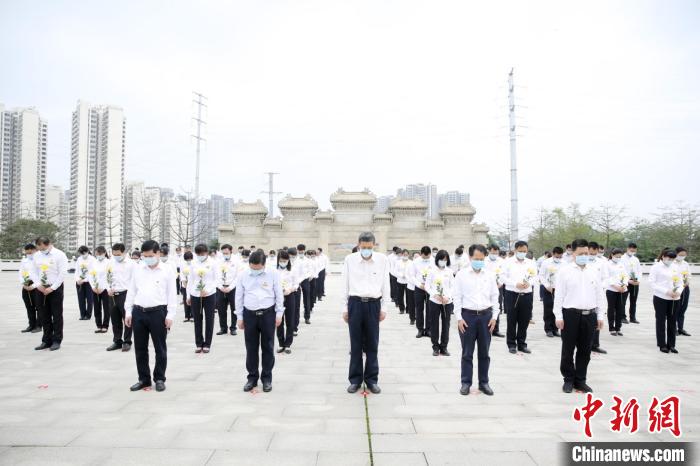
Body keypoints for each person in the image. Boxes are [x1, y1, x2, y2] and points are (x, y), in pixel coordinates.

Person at [125, 240, 178, 392]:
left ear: (158, 253)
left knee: (160, 348)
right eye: (145, 256)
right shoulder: (138, 269)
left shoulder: (167, 270)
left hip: (158, 312)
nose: (147, 259)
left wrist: (170, 315)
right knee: (140, 348)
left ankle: (159, 378)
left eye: (150, 256)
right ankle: (144, 379)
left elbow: (172, 294)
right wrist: (128, 311)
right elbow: (132, 291)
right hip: (138, 312)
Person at [554, 239, 605, 393]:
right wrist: (558, 316)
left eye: (586, 253)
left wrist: (600, 315)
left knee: (585, 350)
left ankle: (580, 380)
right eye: (581, 253)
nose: (584, 256)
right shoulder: (564, 271)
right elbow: (559, 295)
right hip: (570, 315)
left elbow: (600, 295)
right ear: (573, 253)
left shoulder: (594, 271)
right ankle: (568, 379)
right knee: (568, 349)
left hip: (590, 315)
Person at [342, 232, 390, 395]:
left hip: (373, 304)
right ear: (358, 245)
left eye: (369, 247)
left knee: (372, 344)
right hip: (355, 303)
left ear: (374, 246)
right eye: (363, 247)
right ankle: (355, 380)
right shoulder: (350, 260)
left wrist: (384, 307)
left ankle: (371, 380)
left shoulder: (382, 260)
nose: (366, 250)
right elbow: (344, 284)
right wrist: (344, 308)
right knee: (355, 344)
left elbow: (386, 284)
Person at [236, 249, 284, 392]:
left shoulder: (273, 273)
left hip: (268, 313)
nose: (255, 271)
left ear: (264, 264)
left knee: (268, 347)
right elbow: (239, 296)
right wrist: (239, 317)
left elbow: (279, 294)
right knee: (251, 347)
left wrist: (279, 313)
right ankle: (252, 378)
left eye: (258, 269)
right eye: (252, 268)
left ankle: (267, 378)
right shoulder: (243, 274)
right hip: (249, 314)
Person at [454, 244, 499, 396]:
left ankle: (484, 383)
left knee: (484, 352)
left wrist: (494, 317)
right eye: (476, 259)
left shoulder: (489, 275)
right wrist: (459, 318)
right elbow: (457, 297)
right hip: (468, 316)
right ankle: (466, 383)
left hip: (486, 316)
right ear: (470, 257)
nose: (478, 261)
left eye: (481, 259)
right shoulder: (461, 275)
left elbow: (495, 296)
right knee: (467, 352)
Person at [32, 236, 68, 351]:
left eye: (43, 248)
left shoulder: (59, 255)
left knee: (56, 315)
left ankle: (57, 340)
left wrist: (52, 288)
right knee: (43, 315)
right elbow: (33, 271)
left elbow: (62, 273)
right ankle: (46, 340)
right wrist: (38, 285)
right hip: (41, 288)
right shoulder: (37, 255)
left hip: (55, 288)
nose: (41, 250)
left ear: (48, 244)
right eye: (39, 248)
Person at [503, 240, 537, 354]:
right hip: (512, 294)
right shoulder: (508, 262)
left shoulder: (531, 262)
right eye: (520, 251)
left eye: (524, 251)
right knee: (511, 320)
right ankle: (511, 344)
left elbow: (535, 276)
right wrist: (515, 283)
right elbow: (503, 277)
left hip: (526, 294)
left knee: (524, 320)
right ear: (515, 250)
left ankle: (522, 344)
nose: (522, 253)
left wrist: (529, 283)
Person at [648, 249, 681, 353]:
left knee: (672, 321)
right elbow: (652, 283)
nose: (670, 260)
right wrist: (666, 291)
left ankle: (671, 345)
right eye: (668, 258)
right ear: (663, 256)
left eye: (672, 259)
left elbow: (680, 282)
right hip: (661, 297)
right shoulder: (656, 267)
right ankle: (662, 344)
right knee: (661, 321)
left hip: (674, 298)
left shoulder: (676, 267)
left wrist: (678, 291)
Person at [186, 244, 217, 353]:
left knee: (209, 319)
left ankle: (207, 343)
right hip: (195, 294)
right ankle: (199, 343)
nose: (200, 256)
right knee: (197, 320)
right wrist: (188, 295)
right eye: (198, 254)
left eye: (202, 254)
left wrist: (207, 290)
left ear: (207, 253)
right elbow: (190, 280)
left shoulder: (213, 263)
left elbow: (216, 280)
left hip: (209, 294)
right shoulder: (193, 263)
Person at [106, 243, 135, 352]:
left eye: (118, 254)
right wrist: (108, 288)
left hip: (125, 294)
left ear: (124, 252)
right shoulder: (110, 263)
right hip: (112, 294)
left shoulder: (131, 264)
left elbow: (135, 280)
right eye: (114, 254)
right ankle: (117, 341)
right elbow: (106, 277)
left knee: (127, 318)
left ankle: (127, 341)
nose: (116, 256)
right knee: (115, 319)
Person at [425, 250, 454, 356]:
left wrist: (448, 297)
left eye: (445, 260)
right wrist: (435, 295)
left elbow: (453, 286)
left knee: (446, 324)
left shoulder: (449, 272)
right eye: (441, 259)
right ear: (437, 259)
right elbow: (427, 286)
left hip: (447, 302)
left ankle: (444, 347)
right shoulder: (432, 271)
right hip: (434, 301)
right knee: (434, 324)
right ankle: (435, 347)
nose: (443, 261)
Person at [586, 242, 608, 354]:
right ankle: (584, 345)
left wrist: (599, 286)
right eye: (591, 253)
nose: (592, 255)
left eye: (595, 254)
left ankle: (595, 344)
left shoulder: (602, 263)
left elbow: (605, 278)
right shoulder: (582, 262)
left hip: (597, 294)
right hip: (584, 294)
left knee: (597, 318)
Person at [539, 246, 564, 337]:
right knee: (548, 309)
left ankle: (555, 329)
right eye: (557, 256)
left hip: (559, 290)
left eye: (560, 257)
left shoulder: (564, 263)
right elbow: (541, 275)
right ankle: (548, 329)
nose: (558, 258)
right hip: (548, 289)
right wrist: (546, 285)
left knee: (557, 309)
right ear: (553, 254)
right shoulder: (546, 262)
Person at [276, 250, 297, 354]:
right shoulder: (274, 270)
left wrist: (290, 290)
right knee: (279, 321)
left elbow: (296, 284)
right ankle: (281, 343)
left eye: (285, 261)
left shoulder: (292, 270)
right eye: (281, 261)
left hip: (289, 296)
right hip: (277, 298)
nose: (283, 262)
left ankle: (288, 344)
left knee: (290, 320)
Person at [216, 244, 239, 336]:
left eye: (226, 253)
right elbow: (216, 276)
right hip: (221, 288)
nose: (225, 254)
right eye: (223, 253)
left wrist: (230, 287)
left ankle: (233, 328)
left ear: (231, 251)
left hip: (232, 288)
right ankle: (223, 328)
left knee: (234, 309)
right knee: (221, 309)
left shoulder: (236, 261)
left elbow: (238, 276)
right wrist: (220, 286)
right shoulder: (219, 261)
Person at [412, 246, 434, 338]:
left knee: (430, 309)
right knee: (419, 308)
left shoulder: (433, 261)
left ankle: (428, 329)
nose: (426, 259)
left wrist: (430, 285)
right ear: (421, 254)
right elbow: (412, 276)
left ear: (430, 254)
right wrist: (419, 284)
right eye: (424, 257)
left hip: (430, 288)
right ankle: (420, 329)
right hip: (419, 287)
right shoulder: (415, 262)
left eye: (427, 257)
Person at [89, 246, 111, 333]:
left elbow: (108, 276)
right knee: (97, 308)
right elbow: (90, 275)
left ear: (104, 253)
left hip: (105, 289)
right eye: (97, 254)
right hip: (95, 289)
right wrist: (93, 286)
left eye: (100, 254)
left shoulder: (109, 262)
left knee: (106, 308)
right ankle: (98, 325)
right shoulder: (94, 263)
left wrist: (103, 287)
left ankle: (105, 325)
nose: (98, 255)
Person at [605, 248, 628, 336]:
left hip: (622, 290)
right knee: (611, 309)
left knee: (620, 309)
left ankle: (618, 327)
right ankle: (611, 328)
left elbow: (625, 275)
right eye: (617, 256)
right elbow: (607, 277)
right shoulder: (607, 264)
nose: (618, 258)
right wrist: (615, 286)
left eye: (619, 257)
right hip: (611, 290)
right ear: (612, 255)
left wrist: (624, 284)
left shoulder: (621, 264)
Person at [19, 244, 41, 333]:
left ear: (35, 250)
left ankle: (39, 326)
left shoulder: (40, 260)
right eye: (27, 253)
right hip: (26, 284)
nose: (29, 254)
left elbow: (42, 274)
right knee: (29, 306)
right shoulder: (24, 261)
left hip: (37, 285)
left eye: (31, 253)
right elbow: (21, 273)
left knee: (39, 307)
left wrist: (34, 286)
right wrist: (23, 284)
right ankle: (31, 325)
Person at [485, 244, 505, 338]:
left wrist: (500, 283)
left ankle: (496, 329)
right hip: (486, 287)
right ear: (489, 251)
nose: (494, 255)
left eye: (496, 253)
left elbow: (504, 274)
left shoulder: (501, 261)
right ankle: (486, 328)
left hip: (498, 287)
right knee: (486, 307)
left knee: (497, 306)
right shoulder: (484, 260)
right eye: (493, 253)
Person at [620, 243, 642, 324]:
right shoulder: (622, 258)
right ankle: (622, 317)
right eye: (631, 250)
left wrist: (638, 280)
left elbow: (639, 271)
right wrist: (628, 281)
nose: (632, 252)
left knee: (633, 301)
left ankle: (633, 317)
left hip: (635, 282)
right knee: (623, 300)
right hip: (626, 282)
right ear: (627, 249)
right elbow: (621, 271)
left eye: (634, 251)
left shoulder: (636, 259)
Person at [74, 245, 95, 321]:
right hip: (79, 282)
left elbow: (92, 272)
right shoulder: (79, 259)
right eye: (81, 253)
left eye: (83, 253)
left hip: (89, 282)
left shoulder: (92, 259)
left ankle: (88, 315)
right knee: (81, 299)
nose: (82, 255)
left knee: (90, 299)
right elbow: (76, 271)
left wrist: (85, 280)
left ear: (87, 251)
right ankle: (82, 314)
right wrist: (77, 279)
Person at [675, 247, 691, 336]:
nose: (682, 256)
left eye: (684, 255)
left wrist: (687, 281)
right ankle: (673, 328)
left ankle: (680, 328)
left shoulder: (685, 264)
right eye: (680, 255)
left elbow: (688, 275)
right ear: (676, 254)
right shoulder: (672, 263)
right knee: (675, 308)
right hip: (676, 288)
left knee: (683, 308)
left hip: (685, 288)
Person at [394, 249, 410, 315]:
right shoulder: (398, 262)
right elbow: (395, 271)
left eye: (406, 254)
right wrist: (401, 275)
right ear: (402, 255)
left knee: (408, 296)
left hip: (408, 281)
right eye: (404, 254)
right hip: (400, 281)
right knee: (400, 296)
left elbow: (412, 272)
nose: (405, 256)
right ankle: (401, 309)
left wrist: (407, 276)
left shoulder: (411, 262)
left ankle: (408, 309)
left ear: (408, 255)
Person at [180, 251, 193, 322]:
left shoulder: (194, 264)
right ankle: (187, 316)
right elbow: (182, 274)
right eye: (187, 259)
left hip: (192, 285)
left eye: (190, 259)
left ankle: (192, 315)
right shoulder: (182, 264)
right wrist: (184, 283)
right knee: (185, 300)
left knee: (192, 300)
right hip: (185, 284)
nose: (189, 260)